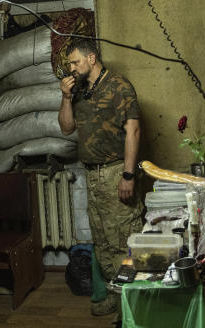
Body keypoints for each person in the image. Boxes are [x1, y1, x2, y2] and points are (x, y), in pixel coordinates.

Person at [58, 40, 143, 319]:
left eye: (75, 62)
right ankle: (114, 296)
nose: (71, 68)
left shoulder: (119, 86)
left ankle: (129, 309)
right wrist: (66, 97)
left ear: (91, 58)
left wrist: (128, 175)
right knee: (103, 243)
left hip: (114, 171)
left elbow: (133, 132)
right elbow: (67, 127)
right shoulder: (80, 90)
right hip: (91, 175)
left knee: (123, 241)